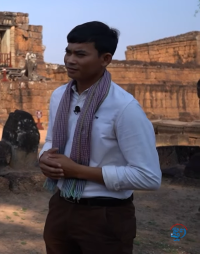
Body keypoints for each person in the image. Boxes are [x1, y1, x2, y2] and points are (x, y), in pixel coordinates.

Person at [39, 21, 161, 254]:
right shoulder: (60, 96)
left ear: (105, 59)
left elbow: (149, 177)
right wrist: (44, 157)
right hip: (61, 206)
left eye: (80, 54)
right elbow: (52, 141)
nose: (70, 60)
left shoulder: (124, 107)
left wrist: (78, 171)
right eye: (68, 51)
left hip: (105, 215)